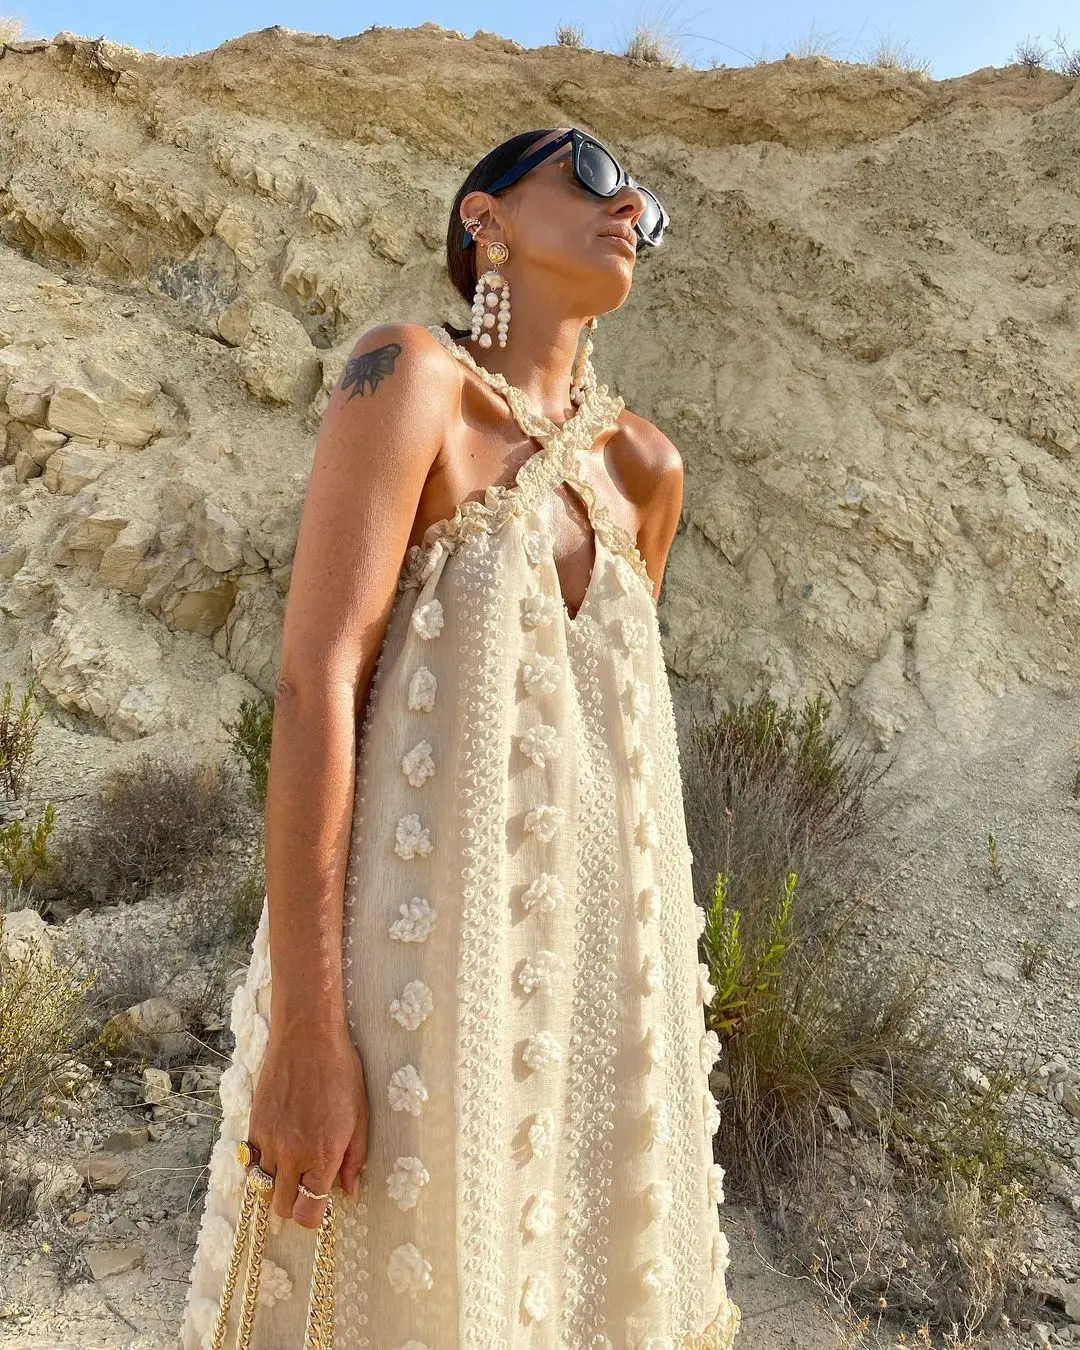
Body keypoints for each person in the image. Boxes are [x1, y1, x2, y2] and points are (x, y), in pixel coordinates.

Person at [177, 125, 740, 1350]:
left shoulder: (648, 469)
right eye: (591, 173)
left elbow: (594, 738)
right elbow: (318, 681)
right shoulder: (411, 376)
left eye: (644, 207)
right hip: (418, 969)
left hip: (603, 981)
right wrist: (309, 1028)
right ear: (485, 218)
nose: (629, 206)